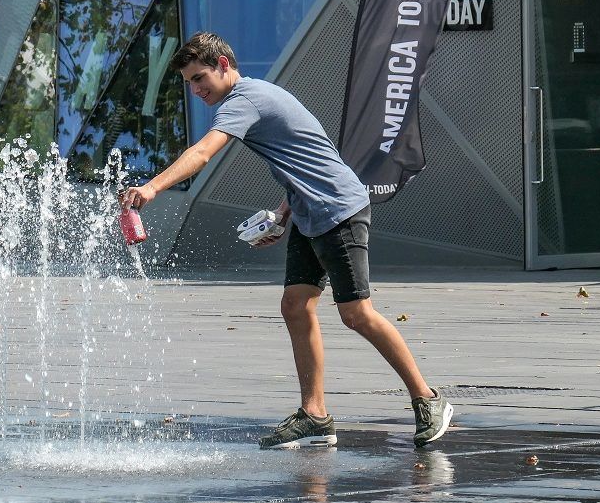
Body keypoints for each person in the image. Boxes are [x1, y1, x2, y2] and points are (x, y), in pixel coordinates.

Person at [121, 32, 453, 449]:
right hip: (309, 212)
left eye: (200, 77)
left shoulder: (245, 100)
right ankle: (315, 415)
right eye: (190, 82)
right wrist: (281, 214)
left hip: (339, 211)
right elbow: (308, 157)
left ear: (224, 65)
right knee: (295, 305)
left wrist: (152, 188)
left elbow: (203, 153)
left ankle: (428, 398)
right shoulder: (255, 97)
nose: (196, 88)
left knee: (356, 313)